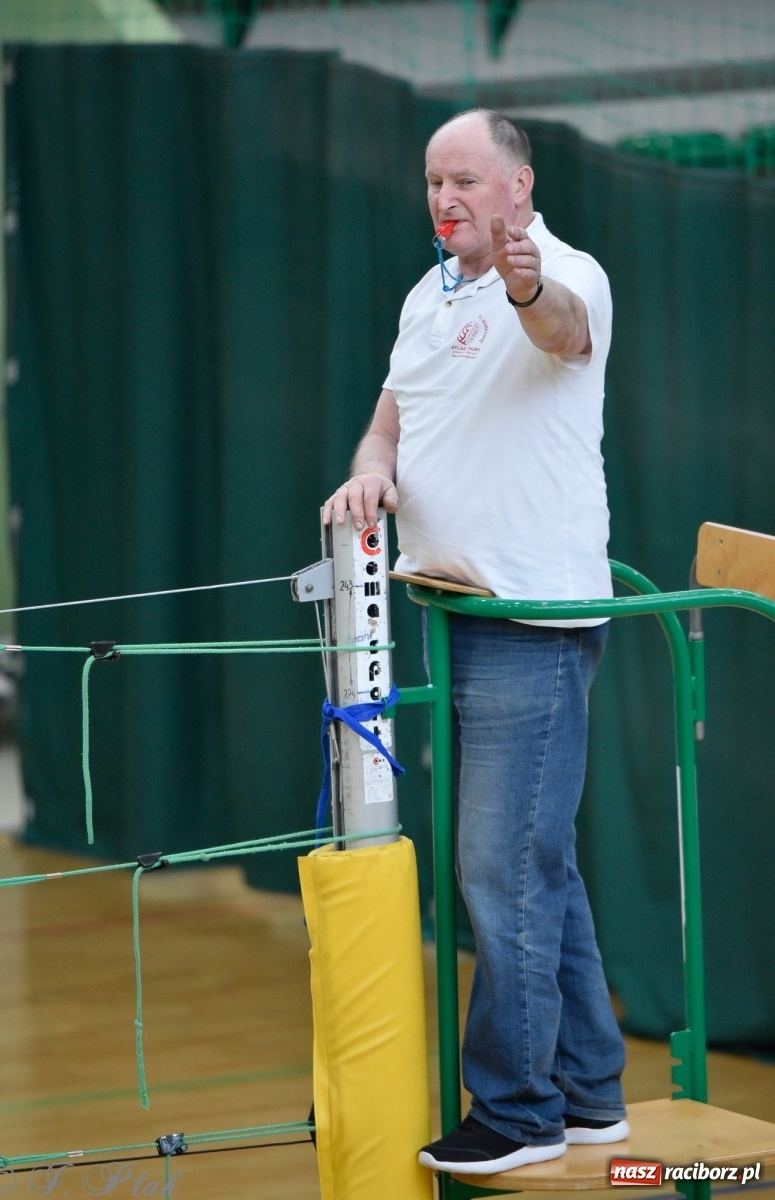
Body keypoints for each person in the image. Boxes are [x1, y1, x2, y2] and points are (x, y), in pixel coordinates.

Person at [322, 109, 628, 1177]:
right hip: (446, 612)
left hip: (529, 623)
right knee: (535, 865)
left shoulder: (564, 276)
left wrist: (523, 283)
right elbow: (389, 418)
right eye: (430, 180)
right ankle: (590, 1096)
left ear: (517, 187)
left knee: (500, 870)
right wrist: (370, 469)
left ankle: (516, 1112)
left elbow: (554, 328)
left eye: (464, 179)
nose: (444, 196)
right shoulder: (424, 294)